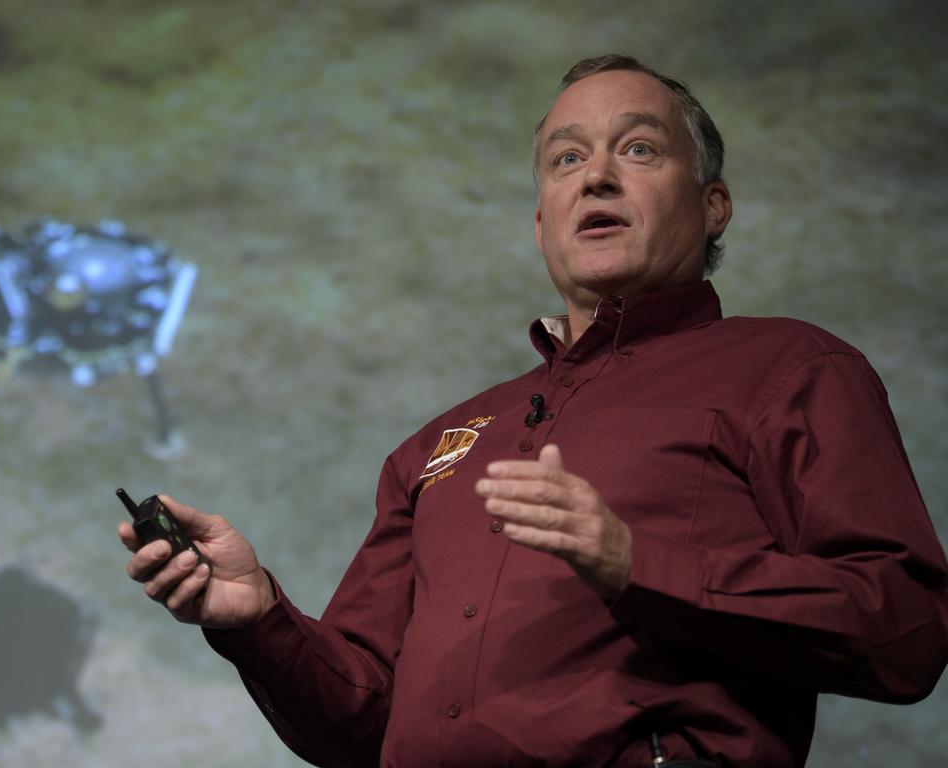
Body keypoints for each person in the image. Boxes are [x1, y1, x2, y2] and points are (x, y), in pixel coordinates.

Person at [119, 54, 948, 767]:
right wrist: (257, 618)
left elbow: (906, 633)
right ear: (542, 222)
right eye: (565, 159)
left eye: (638, 148)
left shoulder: (791, 368)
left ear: (713, 206)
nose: (596, 176)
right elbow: (364, 722)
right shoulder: (439, 445)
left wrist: (637, 565)